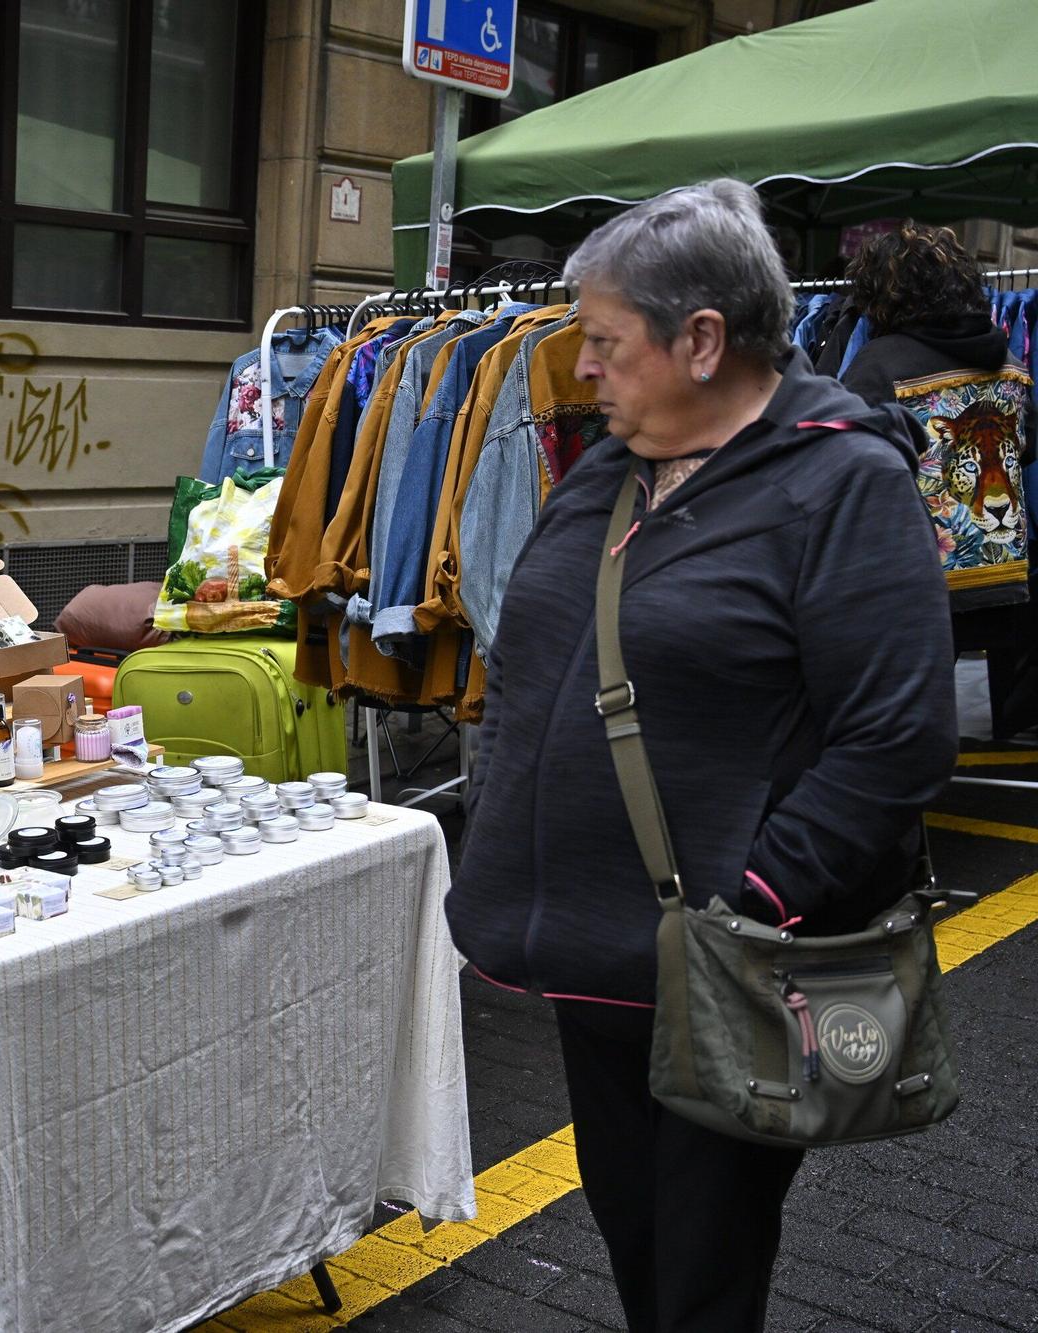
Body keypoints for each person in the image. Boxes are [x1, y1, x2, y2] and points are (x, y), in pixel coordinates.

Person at [444, 181, 957, 1332]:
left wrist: (753, 895)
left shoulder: (840, 482)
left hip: (725, 964)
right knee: (636, 1237)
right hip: (597, 961)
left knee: (699, 1272)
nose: (582, 367)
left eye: (604, 341)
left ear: (702, 339)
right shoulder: (615, 465)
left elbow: (897, 734)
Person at [838, 223, 1033, 615]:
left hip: (915, 585)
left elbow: (842, 464)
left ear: (883, 294)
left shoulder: (879, 364)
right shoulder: (1010, 362)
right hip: (1006, 572)